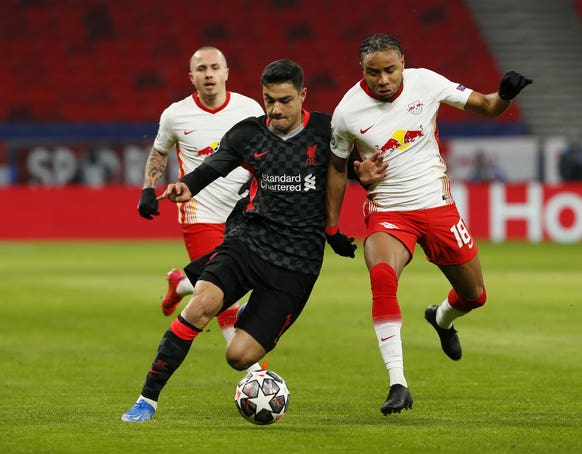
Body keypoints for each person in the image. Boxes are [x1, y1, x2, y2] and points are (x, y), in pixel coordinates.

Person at [121, 59, 357, 422]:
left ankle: (246, 309)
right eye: (269, 100)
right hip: (250, 241)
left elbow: (354, 167)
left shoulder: (326, 131)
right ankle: (146, 400)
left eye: (284, 100)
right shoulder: (249, 133)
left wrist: (363, 181)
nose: (276, 109)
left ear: (302, 96)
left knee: (239, 357)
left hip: (298, 263)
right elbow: (215, 165)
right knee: (201, 306)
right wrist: (187, 186)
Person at [327, 33, 532, 415]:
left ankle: (441, 319)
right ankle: (398, 384)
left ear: (403, 61)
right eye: (374, 73)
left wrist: (505, 94)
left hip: (438, 207)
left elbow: (487, 106)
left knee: (475, 296)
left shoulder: (427, 82)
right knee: (383, 277)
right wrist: (333, 225)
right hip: (389, 211)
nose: (383, 79)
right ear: (363, 71)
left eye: (390, 69)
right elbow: (337, 167)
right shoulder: (347, 112)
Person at [136, 46, 264, 344]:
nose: (209, 74)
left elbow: (264, 153)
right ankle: (253, 376)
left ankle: (180, 283)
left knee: (252, 279)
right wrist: (147, 189)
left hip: (245, 212)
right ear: (191, 76)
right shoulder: (176, 115)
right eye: (202, 69)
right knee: (219, 294)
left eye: (215, 68)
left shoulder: (250, 110)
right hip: (200, 213)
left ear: (226, 73)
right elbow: (159, 152)